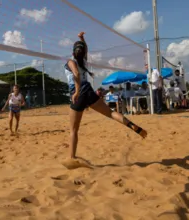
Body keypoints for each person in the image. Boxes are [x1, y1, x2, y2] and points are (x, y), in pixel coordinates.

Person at [63, 32, 147, 167]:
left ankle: (71, 157)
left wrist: (77, 92)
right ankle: (131, 125)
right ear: (83, 52)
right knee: (110, 113)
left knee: (73, 130)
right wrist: (82, 39)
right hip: (89, 90)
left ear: (73, 51)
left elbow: (76, 74)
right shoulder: (83, 61)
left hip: (77, 92)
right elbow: (85, 50)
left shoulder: (70, 61)